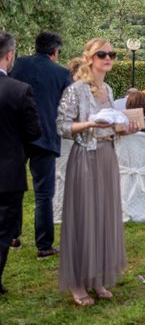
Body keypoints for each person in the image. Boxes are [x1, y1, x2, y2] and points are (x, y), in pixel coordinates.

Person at [56, 38, 136, 306]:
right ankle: (77, 283)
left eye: (112, 53)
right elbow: (63, 127)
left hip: (107, 156)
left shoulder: (109, 89)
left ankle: (96, 278)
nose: (108, 58)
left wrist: (125, 128)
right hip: (85, 158)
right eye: (102, 54)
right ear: (90, 58)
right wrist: (90, 122)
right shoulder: (76, 90)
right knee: (84, 216)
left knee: (103, 216)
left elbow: (112, 125)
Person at [8, 31, 72, 258]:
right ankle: (44, 245)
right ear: (55, 51)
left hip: (15, 134)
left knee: (13, 187)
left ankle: (12, 235)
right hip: (45, 134)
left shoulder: (18, 65)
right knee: (44, 193)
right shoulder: (62, 73)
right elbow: (67, 107)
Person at [0, 32, 42, 294]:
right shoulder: (18, 90)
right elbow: (34, 132)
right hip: (7, 171)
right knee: (3, 229)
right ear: (9, 55)